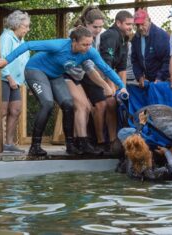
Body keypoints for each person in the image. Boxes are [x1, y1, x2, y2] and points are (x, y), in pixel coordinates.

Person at [0, 26, 128, 156]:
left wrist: (121, 86)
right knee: (47, 103)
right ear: (74, 41)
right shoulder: (59, 45)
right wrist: (6, 60)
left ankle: (71, 146)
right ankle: (35, 146)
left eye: (90, 44)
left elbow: (106, 68)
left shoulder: (89, 51)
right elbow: (28, 45)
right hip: (35, 70)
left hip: (55, 75)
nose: (88, 48)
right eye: (84, 44)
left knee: (68, 104)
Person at [83, 10, 133, 152]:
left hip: (104, 74)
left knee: (113, 103)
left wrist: (123, 88)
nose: (130, 27)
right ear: (118, 23)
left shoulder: (125, 39)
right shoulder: (111, 35)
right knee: (105, 103)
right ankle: (101, 141)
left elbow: (121, 68)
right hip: (92, 74)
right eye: (128, 24)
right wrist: (110, 88)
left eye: (131, 24)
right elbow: (106, 65)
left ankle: (113, 141)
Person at [65, 6, 112, 154]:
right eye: (95, 27)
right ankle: (77, 142)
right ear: (86, 24)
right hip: (73, 73)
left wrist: (108, 81)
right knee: (81, 105)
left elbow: (96, 62)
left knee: (98, 103)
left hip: (89, 71)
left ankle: (95, 141)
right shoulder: (75, 34)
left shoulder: (101, 36)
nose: (98, 30)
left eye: (100, 27)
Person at [0, 10, 30, 153]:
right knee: (2, 111)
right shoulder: (6, 37)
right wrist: (9, 78)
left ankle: (9, 144)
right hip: (4, 80)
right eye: (25, 26)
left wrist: (28, 83)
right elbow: (1, 59)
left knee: (16, 110)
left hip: (17, 81)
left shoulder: (21, 40)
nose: (27, 29)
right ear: (17, 25)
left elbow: (25, 62)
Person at [131, 9, 170, 88]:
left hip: (163, 81)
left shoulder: (161, 36)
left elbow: (168, 60)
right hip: (148, 81)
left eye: (142, 24)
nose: (140, 28)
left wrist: (160, 77)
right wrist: (140, 76)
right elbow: (135, 60)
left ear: (149, 20)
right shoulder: (136, 38)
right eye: (137, 25)